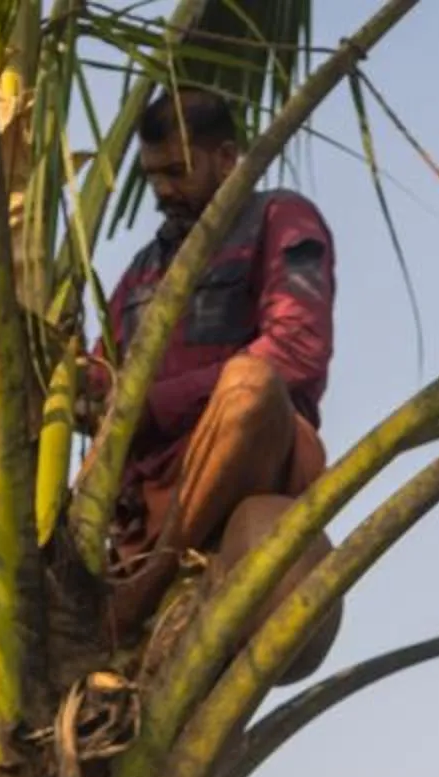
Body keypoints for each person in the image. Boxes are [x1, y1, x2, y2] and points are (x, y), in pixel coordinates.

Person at [91, 86, 335, 644]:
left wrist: (155, 403)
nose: (163, 191)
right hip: (146, 494)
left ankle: (149, 585)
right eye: (153, 177)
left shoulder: (281, 218)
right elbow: (103, 377)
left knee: (250, 386)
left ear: (226, 159)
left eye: (177, 171)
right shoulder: (143, 270)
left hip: (247, 453)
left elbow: (297, 346)